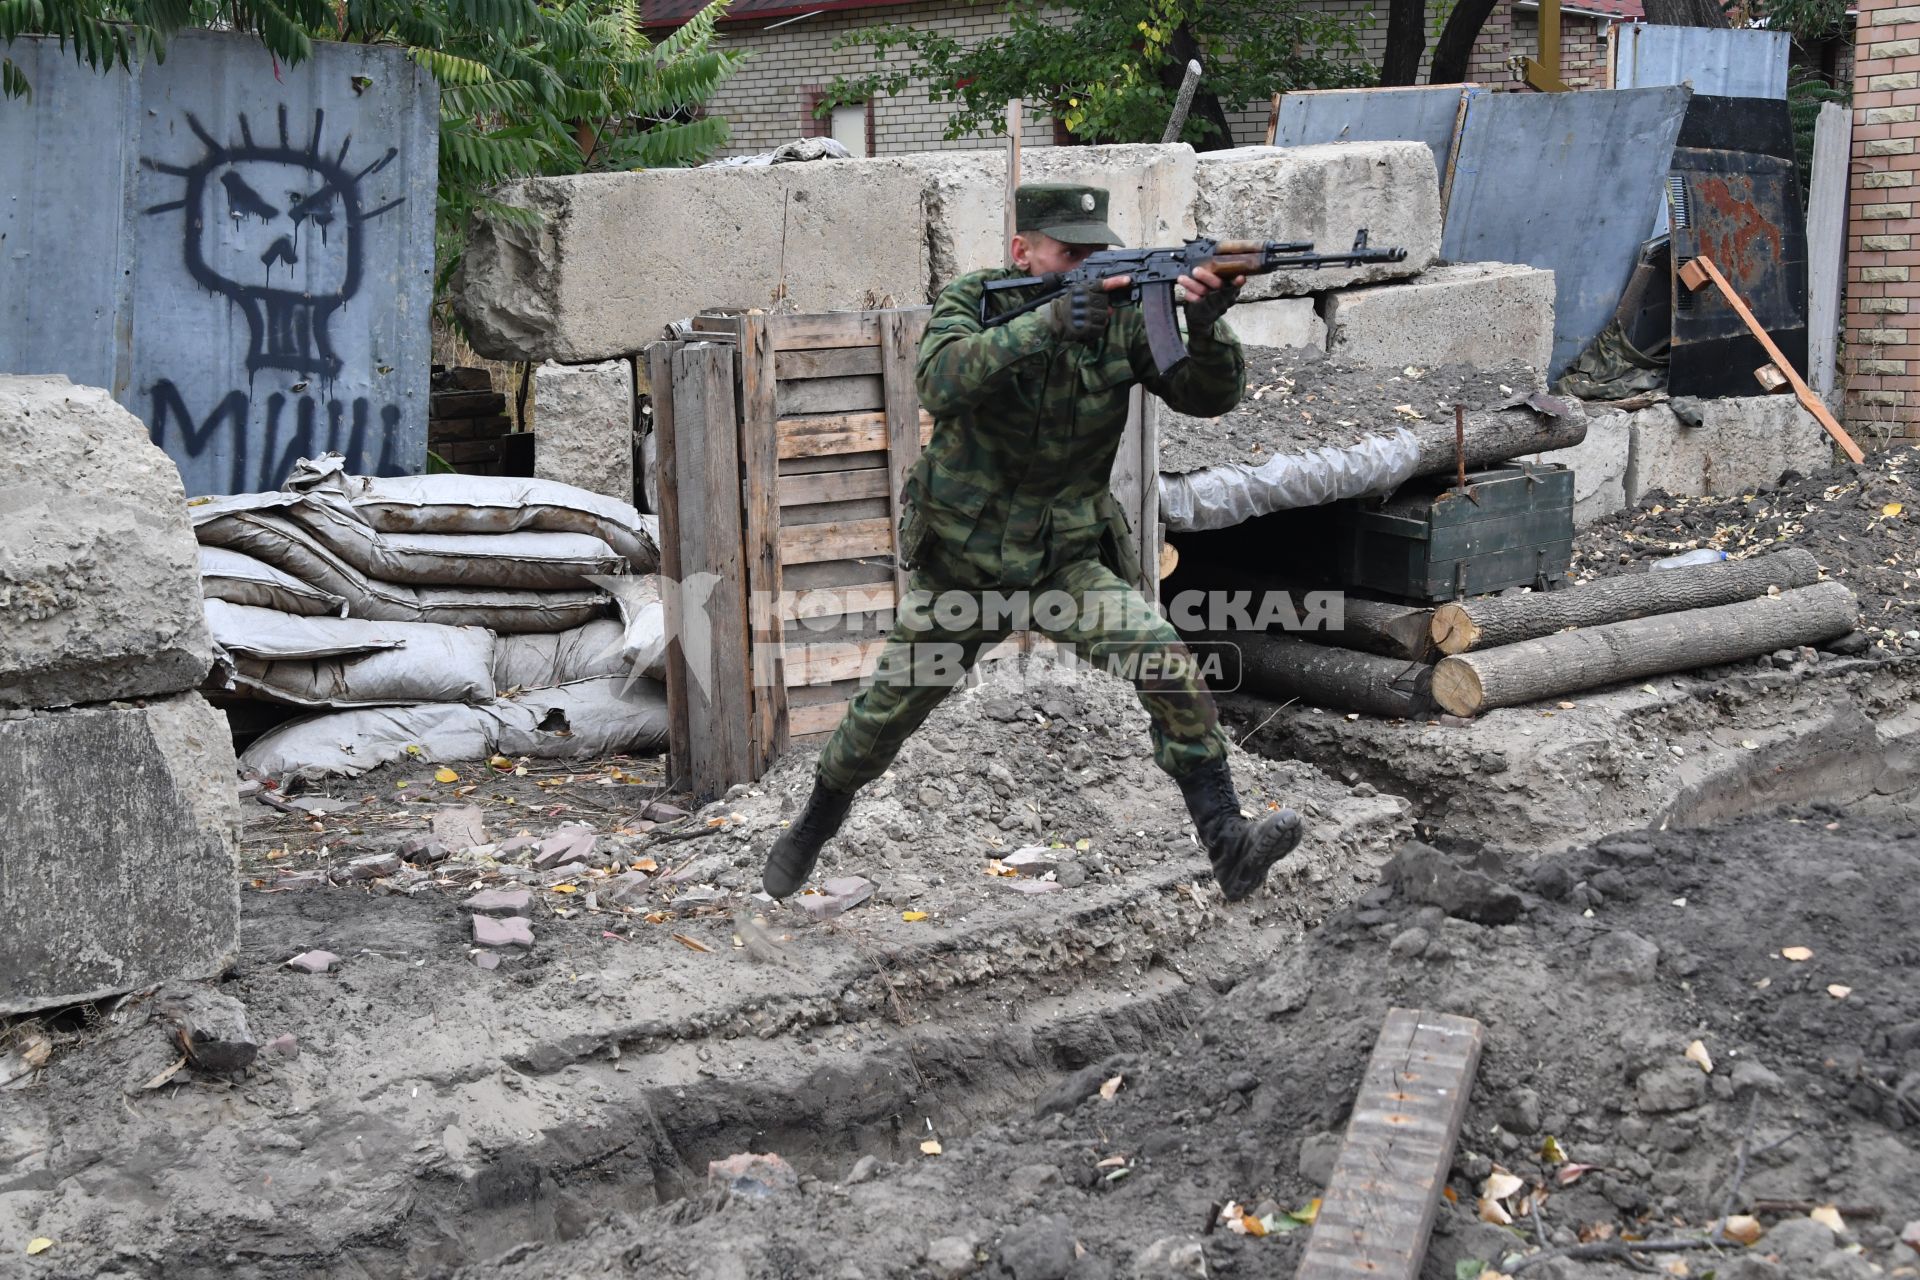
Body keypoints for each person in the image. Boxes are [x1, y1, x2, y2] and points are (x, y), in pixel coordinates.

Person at [761, 182, 1303, 902]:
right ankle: (814, 824)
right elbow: (938, 382)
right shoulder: (977, 298)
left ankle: (1229, 843)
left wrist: (1203, 327)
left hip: (1064, 564)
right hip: (964, 566)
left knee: (1165, 660)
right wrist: (1043, 323)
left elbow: (1208, 398)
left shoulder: (1123, 316)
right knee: (882, 717)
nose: (1086, 262)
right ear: (1023, 250)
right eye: (1067, 251)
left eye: (1094, 251)